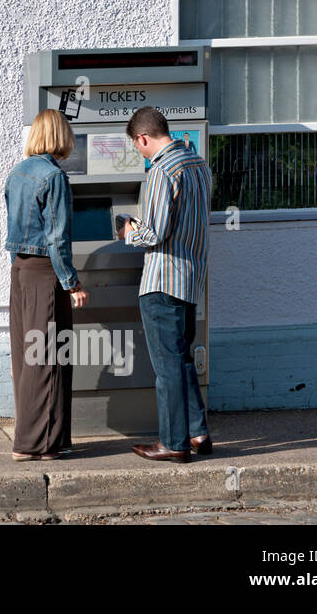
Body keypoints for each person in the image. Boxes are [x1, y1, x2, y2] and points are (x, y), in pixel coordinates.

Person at [118, 107, 214, 463]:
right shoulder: (198, 165)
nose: (138, 152)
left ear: (143, 137)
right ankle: (198, 433)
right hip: (190, 280)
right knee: (182, 361)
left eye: (136, 145)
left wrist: (129, 230)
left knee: (167, 367)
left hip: (162, 281)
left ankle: (174, 443)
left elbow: (154, 233)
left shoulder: (162, 170)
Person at [3, 108, 89, 461]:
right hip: (46, 273)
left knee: (27, 359)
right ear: (60, 136)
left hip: (21, 273)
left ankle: (44, 439)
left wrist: (21, 270)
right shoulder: (54, 177)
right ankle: (34, 445)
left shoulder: (17, 173)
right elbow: (57, 238)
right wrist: (72, 282)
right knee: (49, 358)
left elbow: (13, 233)